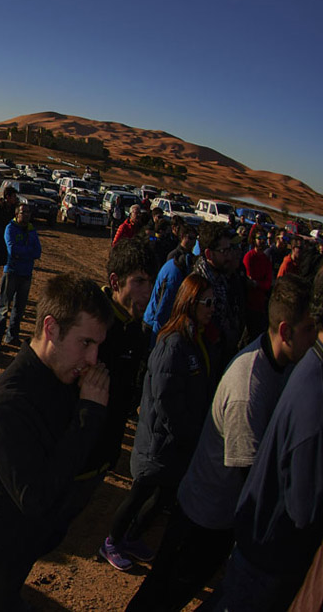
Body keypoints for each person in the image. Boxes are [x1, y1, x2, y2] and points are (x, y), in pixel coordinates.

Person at [126, 275, 317, 611]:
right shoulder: (249, 387)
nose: (314, 338)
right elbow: (248, 476)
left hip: (215, 513)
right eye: (307, 330)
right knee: (163, 596)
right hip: (204, 516)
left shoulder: (281, 365)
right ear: (286, 332)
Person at [0, 275, 112, 612]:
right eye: (85, 343)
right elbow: (36, 498)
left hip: (14, 559)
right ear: (50, 329)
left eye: (97, 346)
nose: (93, 359)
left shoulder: (61, 379)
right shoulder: (7, 406)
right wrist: (88, 415)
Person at [213, 280, 323, 611]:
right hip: (266, 556)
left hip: (260, 546)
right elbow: (305, 510)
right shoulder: (313, 400)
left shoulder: (307, 367)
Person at [101, 273, 219, 571]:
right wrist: (184, 434)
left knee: (162, 497)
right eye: (207, 302)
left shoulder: (196, 340)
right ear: (191, 303)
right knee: (139, 494)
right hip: (160, 443)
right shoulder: (174, 343)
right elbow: (165, 400)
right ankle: (111, 541)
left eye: (214, 302)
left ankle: (131, 537)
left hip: (177, 444)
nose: (212, 308)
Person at [53, 239, 157, 546]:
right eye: (138, 281)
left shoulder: (135, 332)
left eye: (150, 282)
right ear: (115, 281)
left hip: (100, 454)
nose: (147, 292)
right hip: (68, 452)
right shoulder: (85, 322)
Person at [0, 203, 42, 349]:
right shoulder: (10, 228)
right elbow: (12, 250)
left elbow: (38, 251)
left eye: (28, 212)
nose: (25, 215)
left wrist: (23, 253)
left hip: (26, 273)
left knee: (19, 308)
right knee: (4, 307)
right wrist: (28, 252)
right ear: (16, 214)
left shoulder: (32, 230)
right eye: (22, 212)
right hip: (11, 272)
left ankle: (12, 336)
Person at [194, 222, 243, 360]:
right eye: (224, 251)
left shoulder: (221, 277)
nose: (229, 256)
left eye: (230, 249)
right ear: (209, 254)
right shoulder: (198, 284)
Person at [243, 229, 274, 346]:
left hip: (260, 305)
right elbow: (248, 280)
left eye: (263, 239)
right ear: (254, 240)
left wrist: (258, 284)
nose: (261, 242)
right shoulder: (249, 257)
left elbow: (268, 282)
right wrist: (257, 283)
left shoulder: (266, 260)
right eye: (259, 239)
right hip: (248, 304)